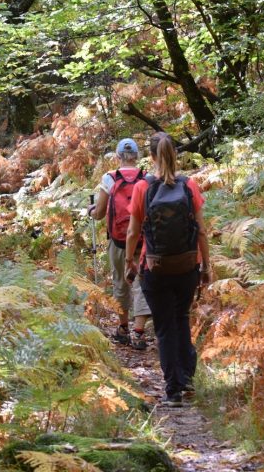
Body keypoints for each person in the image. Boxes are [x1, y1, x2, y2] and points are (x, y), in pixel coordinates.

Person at [125, 132, 211, 408]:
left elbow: (132, 232)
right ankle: (187, 379)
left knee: (164, 326)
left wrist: (129, 261)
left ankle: (173, 390)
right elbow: (201, 231)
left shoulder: (143, 187)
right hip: (188, 264)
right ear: (175, 153)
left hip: (155, 267)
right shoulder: (189, 185)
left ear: (151, 156)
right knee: (181, 318)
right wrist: (206, 265)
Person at [88, 138, 152, 350]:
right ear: (137, 156)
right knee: (141, 282)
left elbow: (99, 213)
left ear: (118, 156)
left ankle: (123, 328)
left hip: (118, 241)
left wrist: (91, 211)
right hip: (143, 239)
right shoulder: (147, 178)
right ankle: (139, 332)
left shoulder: (110, 178)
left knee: (120, 282)